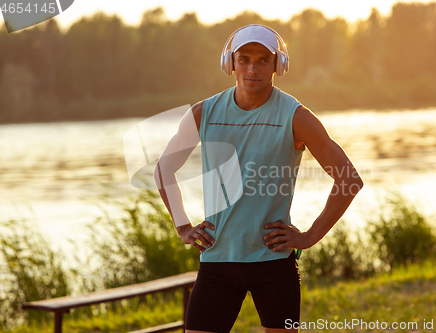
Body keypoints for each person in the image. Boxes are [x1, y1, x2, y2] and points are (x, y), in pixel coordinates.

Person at [154, 24, 364, 333]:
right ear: (231, 63)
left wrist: (308, 237)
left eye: (263, 60)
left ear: (278, 65)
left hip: (274, 265)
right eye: (245, 59)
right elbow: (163, 169)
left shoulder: (296, 117)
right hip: (217, 264)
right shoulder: (204, 113)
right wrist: (183, 226)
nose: (252, 68)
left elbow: (349, 180)